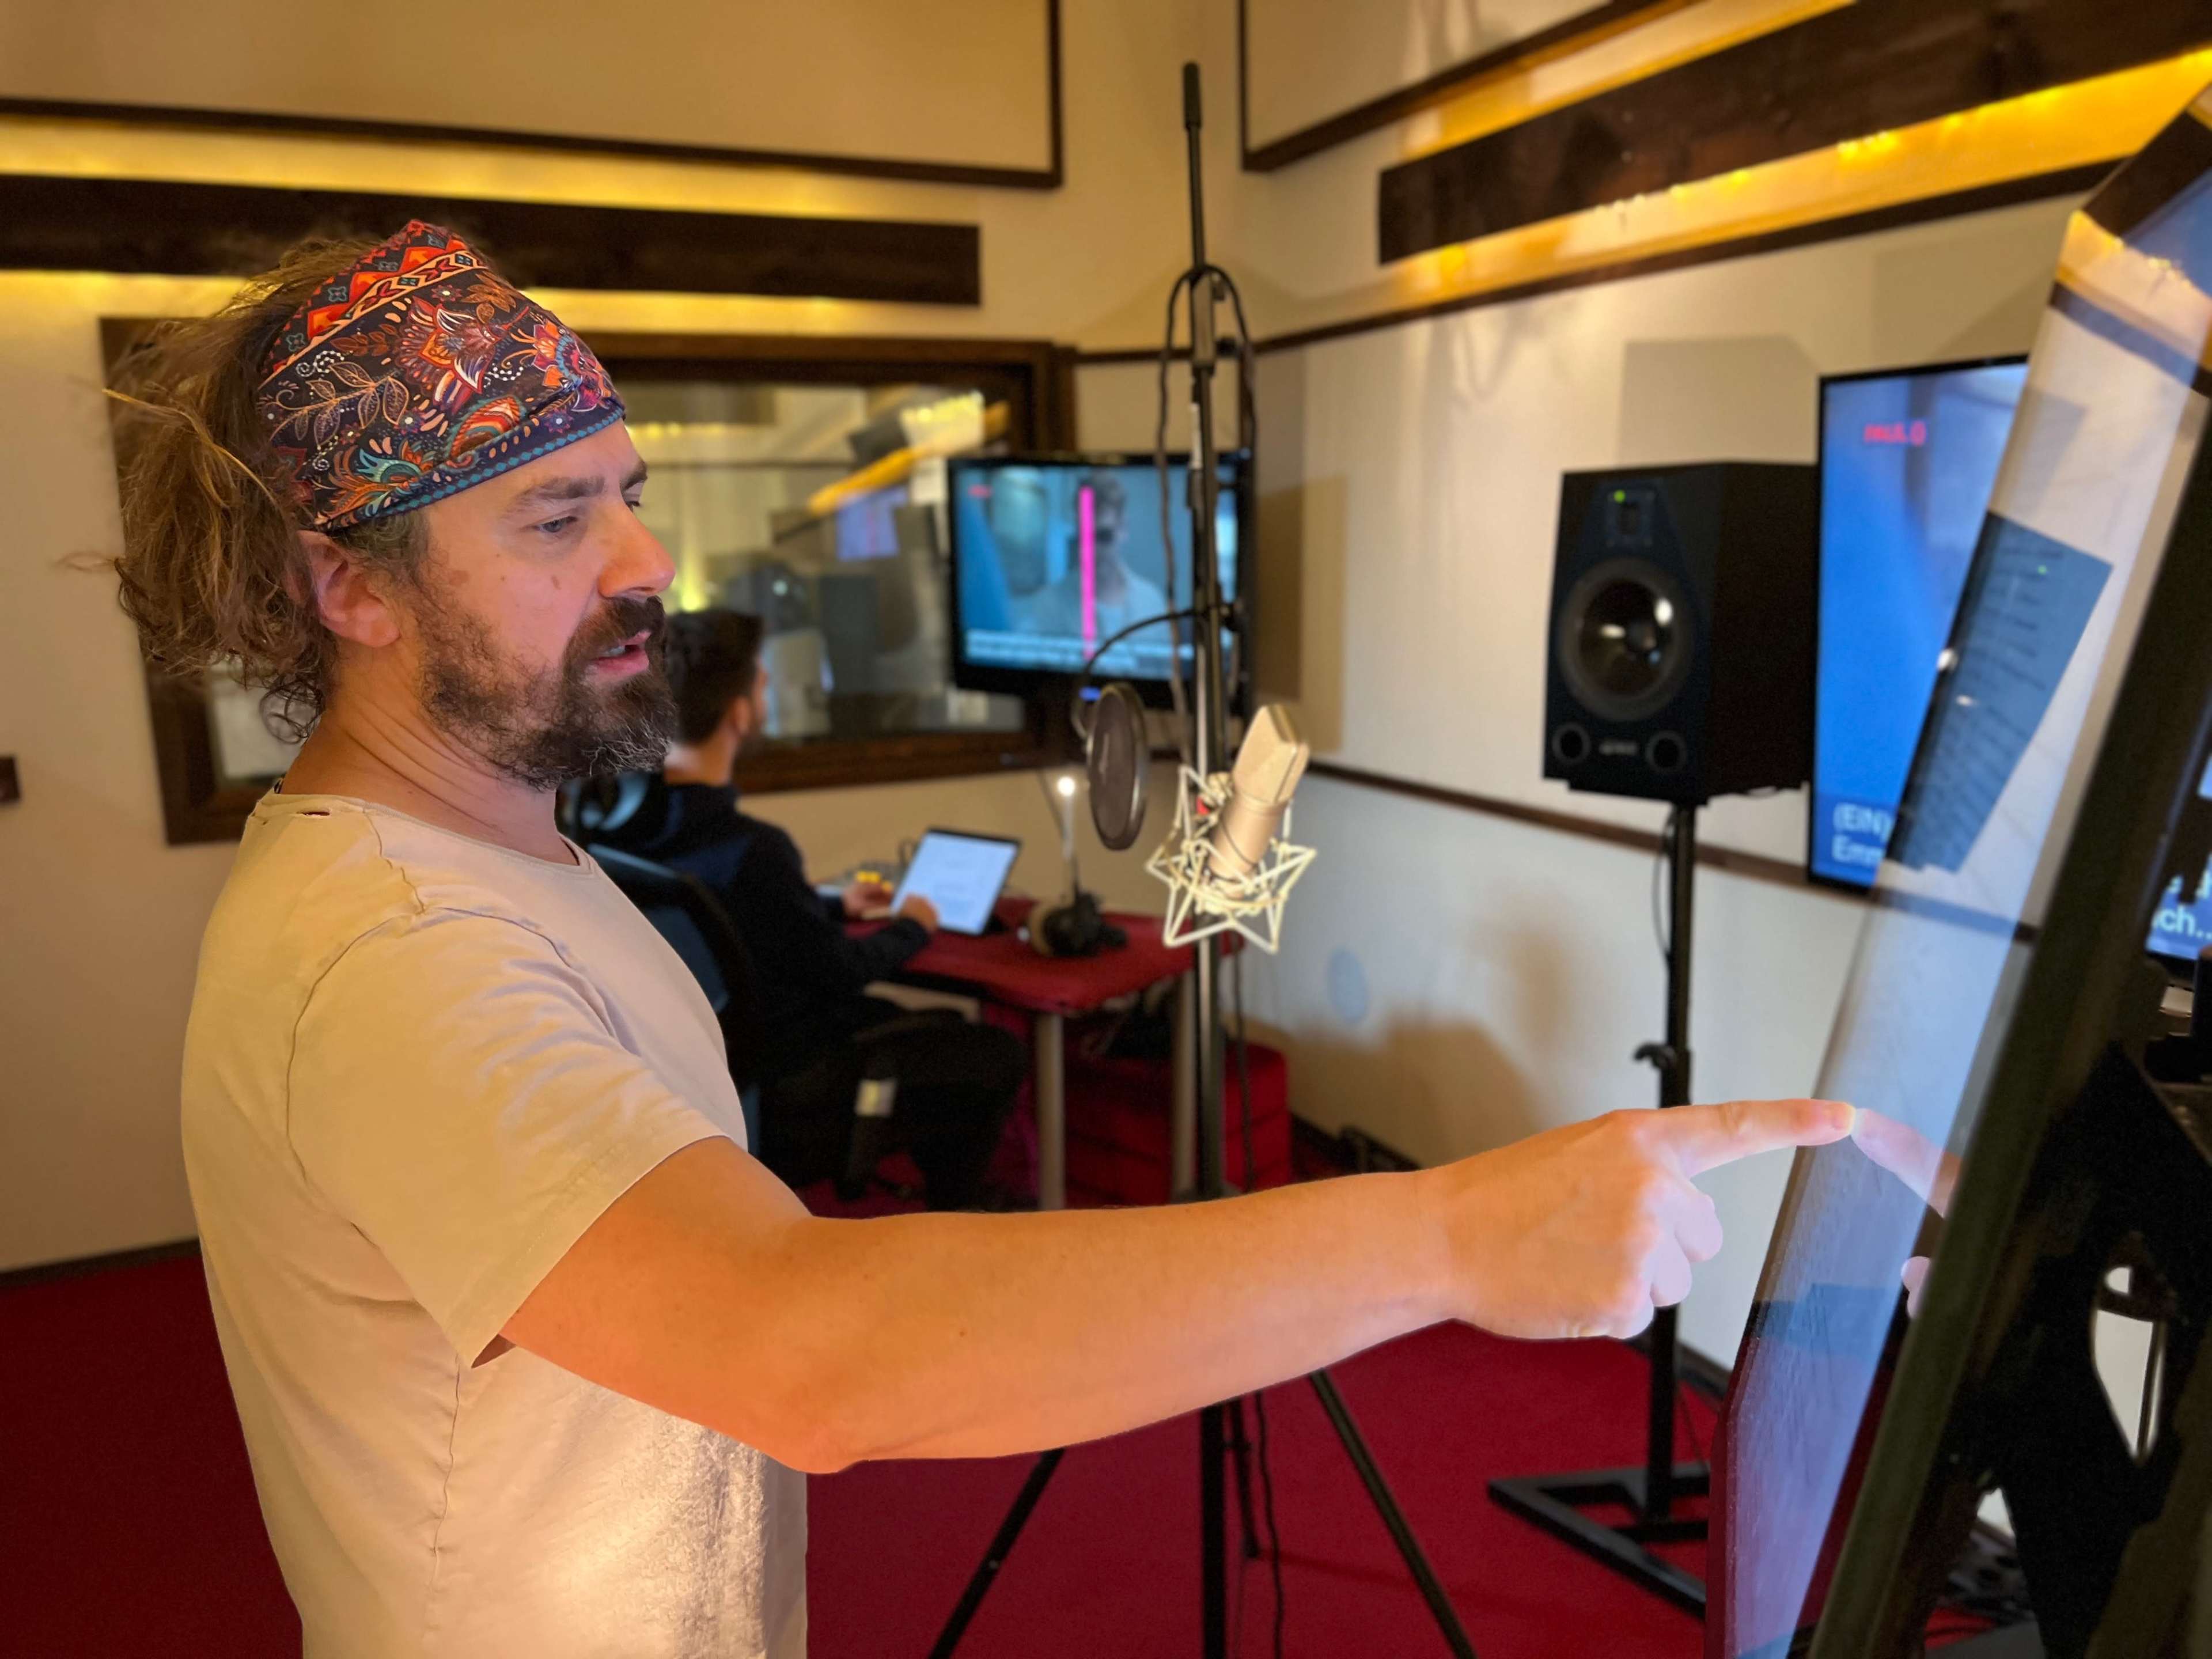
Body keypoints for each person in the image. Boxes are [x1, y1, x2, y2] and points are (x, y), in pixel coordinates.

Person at [109, 222, 1853, 1658]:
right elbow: (802, 1343)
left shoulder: (505, 855)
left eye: (623, 490)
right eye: (557, 519)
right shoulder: (390, 955)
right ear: (346, 587)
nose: (647, 558)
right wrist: (1455, 1231)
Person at [594, 608, 1025, 1210]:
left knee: (930, 1035)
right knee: (989, 1052)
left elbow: (719, 900)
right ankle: (961, 1218)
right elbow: (839, 971)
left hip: (693, 1084)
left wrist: (823, 899)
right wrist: (914, 925)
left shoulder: (621, 830)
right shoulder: (758, 851)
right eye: (762, 680)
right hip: (787, 1086)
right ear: (740, 712)